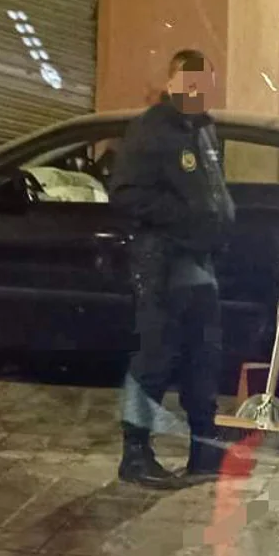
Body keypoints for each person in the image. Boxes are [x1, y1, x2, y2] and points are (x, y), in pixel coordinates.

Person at [109, 48, 236, 487]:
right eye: (189, 82)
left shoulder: (203, 130)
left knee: (204, 356)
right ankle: (135, 454)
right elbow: (126, 194)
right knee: (155, 357)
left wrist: (214, 221)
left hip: (200, 262)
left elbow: (212, 189)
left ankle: (206, 451)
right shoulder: (150, 130)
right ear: (172, 82)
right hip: (163, 260)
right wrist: (185, 218)